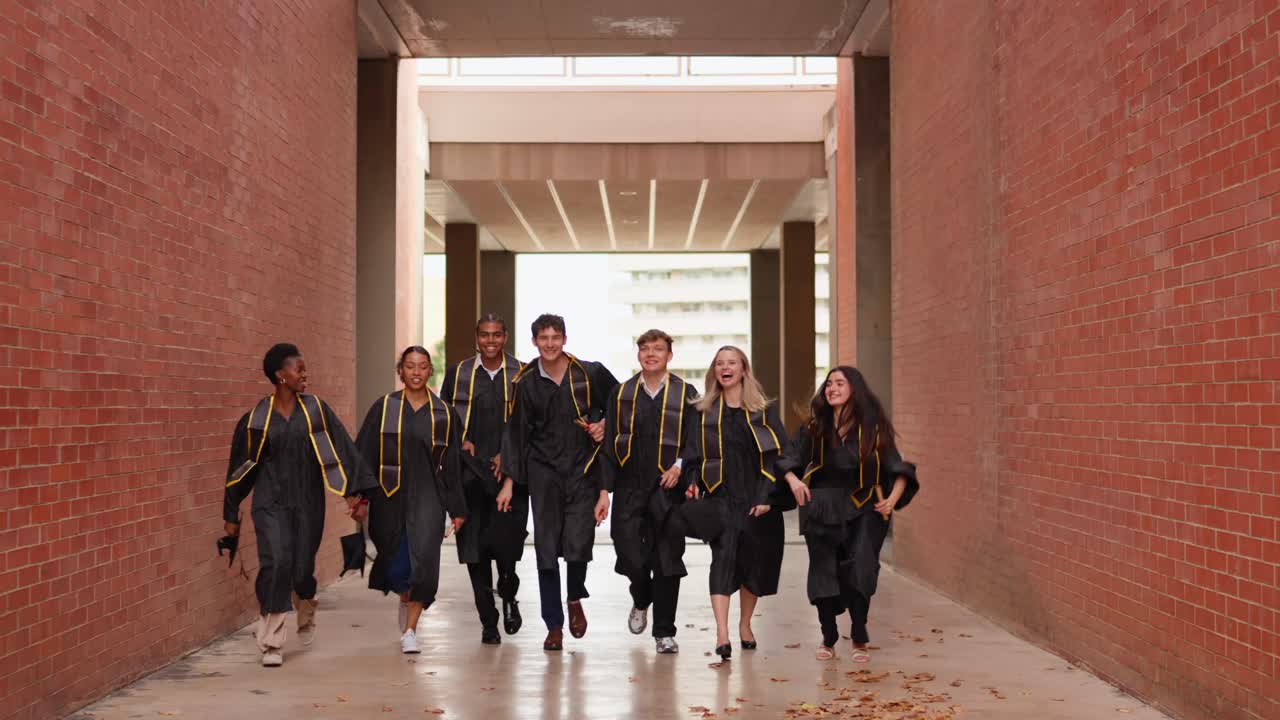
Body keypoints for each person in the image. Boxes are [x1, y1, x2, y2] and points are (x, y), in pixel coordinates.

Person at [223, 343, 376, 667]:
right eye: (299, 369)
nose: (305, 375)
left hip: (308, 502)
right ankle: (272, 639)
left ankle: (305, 602)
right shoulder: (257, 419)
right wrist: (231, 514)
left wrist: (356, 495)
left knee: (301, 568)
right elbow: (239, 467)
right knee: (276, 562)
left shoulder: (316, 411)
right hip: (269, 502)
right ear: (280, 375)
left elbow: (343, 450)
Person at [778, 366, 918, 662]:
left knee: (861, 568)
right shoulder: (813, 427)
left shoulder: (873, 429)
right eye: (828, 384)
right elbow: (789, 458)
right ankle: (828, 634)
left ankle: (858, 630)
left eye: (840, 383)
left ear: (855, 389)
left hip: (864, 506)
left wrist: (891, 501)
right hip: (821, 506)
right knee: (823, 571)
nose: (832, 388)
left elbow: (899, 468)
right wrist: (794, 481)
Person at [501, 313, 619, 651]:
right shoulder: (525, 383)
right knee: (547, 549)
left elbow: (623, 403)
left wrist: (605, 424)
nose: (550, 343)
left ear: (565, 339)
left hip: (583, 468)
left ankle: (574, 597)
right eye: (543, 338)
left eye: (555, 337)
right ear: (534, 342)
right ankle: (554, 625)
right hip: (543, 472)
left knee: (579, 542)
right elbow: (517, 434)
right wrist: (510, 481)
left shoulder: (590, 373)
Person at [354, 346, 467, 655]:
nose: (416, 372)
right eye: (409, 366)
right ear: (400, 371)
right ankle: (405, 600)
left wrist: (457, 508)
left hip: (430, 497)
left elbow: (454, 464)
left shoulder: (443, 413)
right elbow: (363, 453)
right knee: (397, 564)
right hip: (389, 497)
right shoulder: (384, 407)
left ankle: (411, 630)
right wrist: (360, 497)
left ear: (431, 371)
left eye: (422, 366)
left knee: (425, 563)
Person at [681, 346, 791, 661]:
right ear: (714, 370)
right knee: (723, 560)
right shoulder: (702, 411)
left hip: (757, 498)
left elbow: (778, 456)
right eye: (720, 363)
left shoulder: (763, 410)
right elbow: (691, 453)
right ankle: (721, 633)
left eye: (731, 363)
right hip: (721, 497)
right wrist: (692, 481)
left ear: (743, 369)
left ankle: (744, 625)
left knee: (753, 566)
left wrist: (768, 497)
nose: (725, 368)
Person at [600, 329, 699, 655]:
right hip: (629, 487)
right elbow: (609, 445)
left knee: (668, 561)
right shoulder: (621, 393)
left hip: (667, 490)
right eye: (645, 349)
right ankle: (641, 597)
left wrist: (681, 467)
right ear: (638, 355)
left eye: (658, 349)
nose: (651, 354)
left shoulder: (686, 393)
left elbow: (695, 441)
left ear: (669, 355)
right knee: (630, 555)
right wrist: (603, 491)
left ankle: (664, 632)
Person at [440, 313, 528, 645]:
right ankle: (488, 622)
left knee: (507, 551)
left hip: (511, 476)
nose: (490, 341)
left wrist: (509, 453)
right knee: (474, 553)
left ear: (505, 337)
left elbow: (529, 425)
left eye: (496, 335)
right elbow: (444, 419)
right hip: (469, 476)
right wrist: (457, 438)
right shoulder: (459, 374)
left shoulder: (521, 374)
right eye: (484, 335)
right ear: (476, 338)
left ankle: (508, 594)